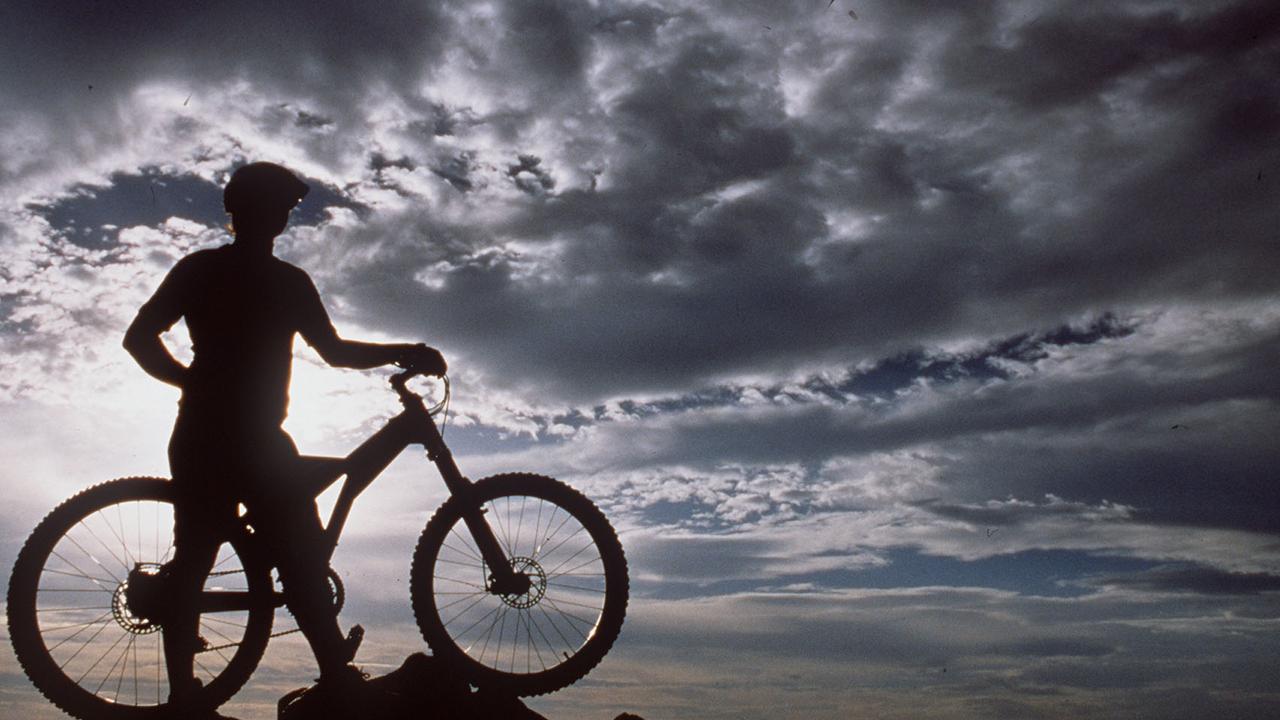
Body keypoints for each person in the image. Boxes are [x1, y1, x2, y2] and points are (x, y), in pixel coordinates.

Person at [123, 161, 445, 710]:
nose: (284, 216)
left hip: (216, 432)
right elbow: (140, 337)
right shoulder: (249, 276)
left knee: (235, 556)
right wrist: (404, 352)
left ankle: (203, 696)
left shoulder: (241, 275)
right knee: (278, 556)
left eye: (287, 208)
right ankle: (315, 682)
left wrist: (190, 381)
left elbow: (141, 340)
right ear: (245, 209)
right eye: (279, 205)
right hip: (235, 437)